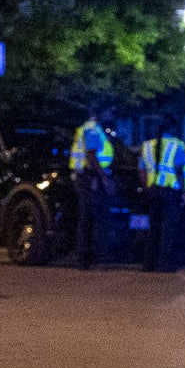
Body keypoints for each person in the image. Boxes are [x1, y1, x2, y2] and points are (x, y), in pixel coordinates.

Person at [68, 110, 117, 269]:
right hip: (90, 179)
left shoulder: (88, 128)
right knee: (97, 221)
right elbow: (91, 157)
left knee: (87, 220)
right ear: (100, 114)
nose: (111, 116)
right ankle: (96, 260)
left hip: (86, 177)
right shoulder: (93, 129)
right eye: (109, 112)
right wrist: (104, 179)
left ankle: (84, 260)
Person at [139, 125, 185, 271]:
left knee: (153, 227)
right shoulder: (176, 145)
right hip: (169, 191)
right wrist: (184, 193)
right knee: (168, 229)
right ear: (172, 131)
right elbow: (180, 172)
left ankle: (148, 263)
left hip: (153, 191)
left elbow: (142, 171)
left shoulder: (147, 146)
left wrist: (147, 189)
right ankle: (164, 264)